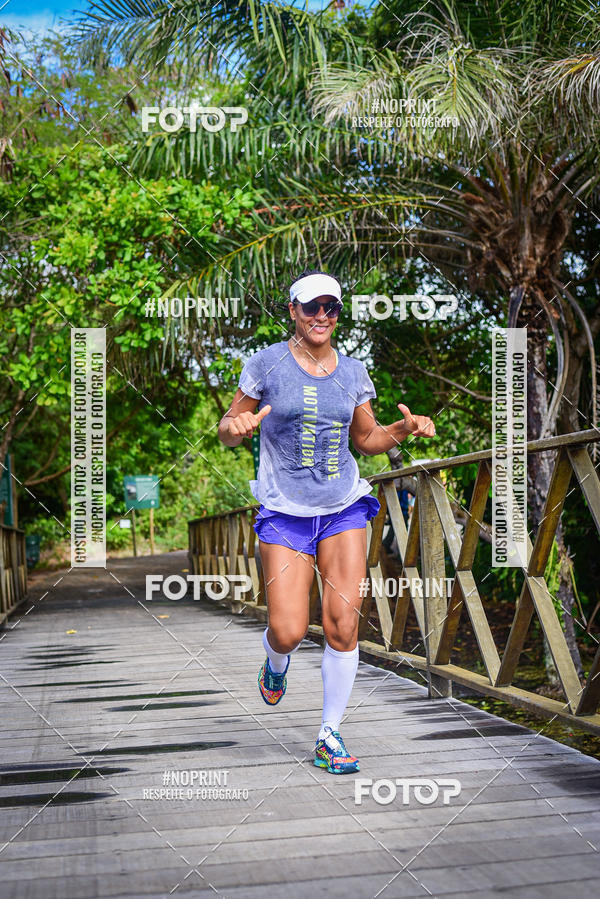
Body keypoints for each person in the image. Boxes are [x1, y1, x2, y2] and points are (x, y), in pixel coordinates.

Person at [217, 270, 435, 774]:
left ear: (338, 314)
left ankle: (329, 734)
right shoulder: (265, 363)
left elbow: (367, 439)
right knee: (289, 629)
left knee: (343, 623)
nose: (321, 317)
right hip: (285, 511)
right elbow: (228, 428)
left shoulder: (354, 371)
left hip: (343, 507)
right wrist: (238, 426)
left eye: (331, 309)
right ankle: (275, 663)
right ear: (292, 309)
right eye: (312, 307)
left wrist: (402, 428)